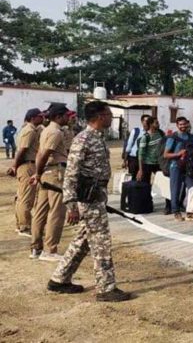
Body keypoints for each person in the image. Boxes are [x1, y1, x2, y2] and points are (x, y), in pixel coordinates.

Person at [47, 100, 131, 302]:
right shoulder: (82, 139)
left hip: (96, 196)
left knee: (83, 240)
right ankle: (106, 288)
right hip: (88, 198)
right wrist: (71, 204)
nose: (111, 117)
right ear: (100, 116)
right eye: (109, 114)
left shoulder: (98, 138)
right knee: (101, 241)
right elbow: (71, 174)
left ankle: (59, 279)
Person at [29, 105, 71, 261]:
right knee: (57, 212)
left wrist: (38, 173)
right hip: (55, 173)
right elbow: (45, 153)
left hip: (46, 172)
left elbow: (40, 153)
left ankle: (36, 248)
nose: (68, 118)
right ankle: (50, 250)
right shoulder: (55, 132)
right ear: (59, 117)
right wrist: (38, 173)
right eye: (66, 115)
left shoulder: (45, 130)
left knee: (40, 211)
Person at [7, 108, 44, 237]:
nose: (43, 118)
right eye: (40, 116)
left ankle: (21, 225)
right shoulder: (29, 131)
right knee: (26, 198)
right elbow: (22, 150)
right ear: (33, 118)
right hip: (28, 165)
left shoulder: (31, 129)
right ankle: (25, 226)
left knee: (22, 197)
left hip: (27, 164)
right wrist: (14, 166)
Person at [164, 117, 193, 222]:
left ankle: (191, 211)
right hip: (176, 166)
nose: (183, 126)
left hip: (189, 166)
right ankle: (176, 211)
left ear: (187, 124)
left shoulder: (192, 137)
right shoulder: (173, 138)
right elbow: (166, 154)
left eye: (184, 124)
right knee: (175, 190)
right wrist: (178, 154)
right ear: (177, 125)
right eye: (180, 124)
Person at [137, 116, 164, 185]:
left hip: (158, 163)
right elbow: (140, 154)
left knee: (162, 182)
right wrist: (140, 170)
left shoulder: (161, 134)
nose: (158, 125)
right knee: (145, 185)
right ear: (151, 124)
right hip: (147, 164)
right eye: (156, 123)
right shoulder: (145, 137)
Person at [122, 115, 149, 179]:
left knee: (144, 178)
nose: (147, 122)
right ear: (142, 121)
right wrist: (125, 161)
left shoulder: (151, 132)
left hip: (145, 159)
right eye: (145, 120)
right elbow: (129, 146)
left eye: (149, 121)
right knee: (132, 177)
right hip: (133, 159)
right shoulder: (136, 131)